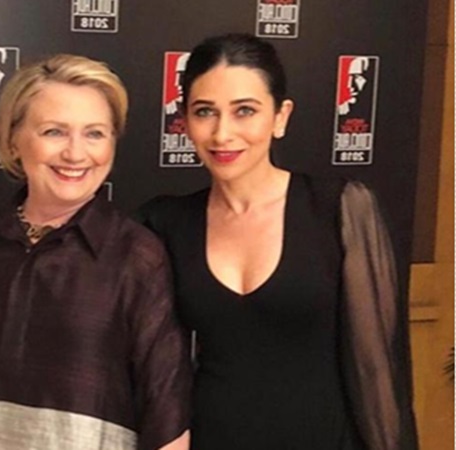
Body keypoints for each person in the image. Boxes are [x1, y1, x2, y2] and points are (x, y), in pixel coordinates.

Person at [138, 33, 418, 450]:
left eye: (245, 111)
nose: (222, 133)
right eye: (204, 112)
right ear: (185, 120)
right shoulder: (165, 221)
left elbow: (379, 372)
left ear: (280, 116)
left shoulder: (340, 208)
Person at [0, 54, 191, 450]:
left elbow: (166, 417)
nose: (76, 153)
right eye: (54, 131)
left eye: (95, 134)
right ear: (13, 139)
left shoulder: (137, 258)